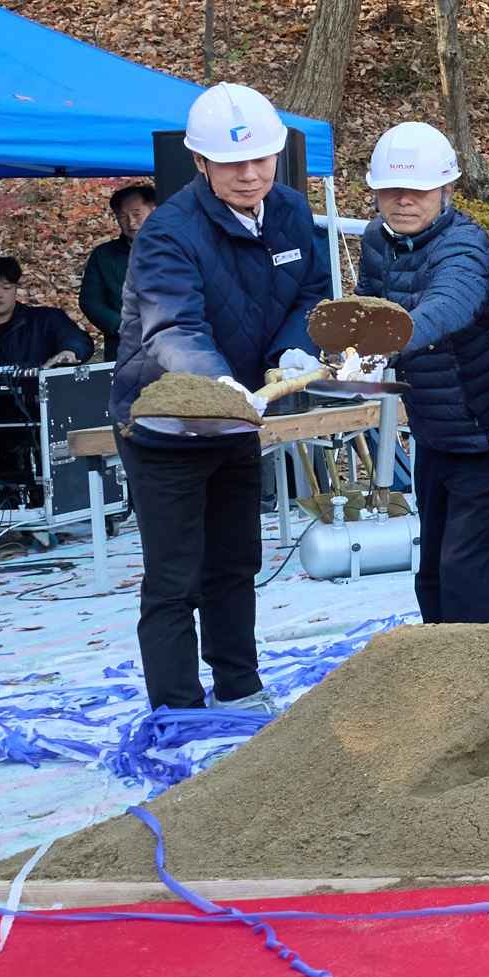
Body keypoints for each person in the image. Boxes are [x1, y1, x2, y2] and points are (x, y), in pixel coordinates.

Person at [108, 82, 323, 711]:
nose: (250, 174)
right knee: (175, 575)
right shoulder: (168, 233)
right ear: (200, 163)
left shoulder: (290, 210)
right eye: (232, 163)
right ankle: (176, 708)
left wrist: (289, 348)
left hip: (238, 418)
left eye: (262, 159)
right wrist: (215, 383)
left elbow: (308, 292)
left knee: (235, 560)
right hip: (164, 420)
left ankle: (239, 686)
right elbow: (173, 325)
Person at [355, 122, 489, 626]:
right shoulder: (375, 241)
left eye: (419, 191)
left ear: (447, 191)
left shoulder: (465, 244)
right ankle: (439, 693)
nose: (404, 201)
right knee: (430, 577)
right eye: (391, 190)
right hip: (434, 435)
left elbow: (446, 306)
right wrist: (342, 351)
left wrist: (383, 341)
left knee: (464, 576)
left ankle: (481, 691)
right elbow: (366, 308)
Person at [0, 255, 91, 371]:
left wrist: (69, 350)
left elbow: (77, 339)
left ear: (16, 289)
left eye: (6, 287)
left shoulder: (48, 320)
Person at [76, 182, 156, 354]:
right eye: (122, 216)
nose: (131, 222)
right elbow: (90, 301)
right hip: (124, 346)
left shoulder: (176, 247)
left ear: (153, 210)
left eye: (137, 214)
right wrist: (121, 326)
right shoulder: (104, 255)